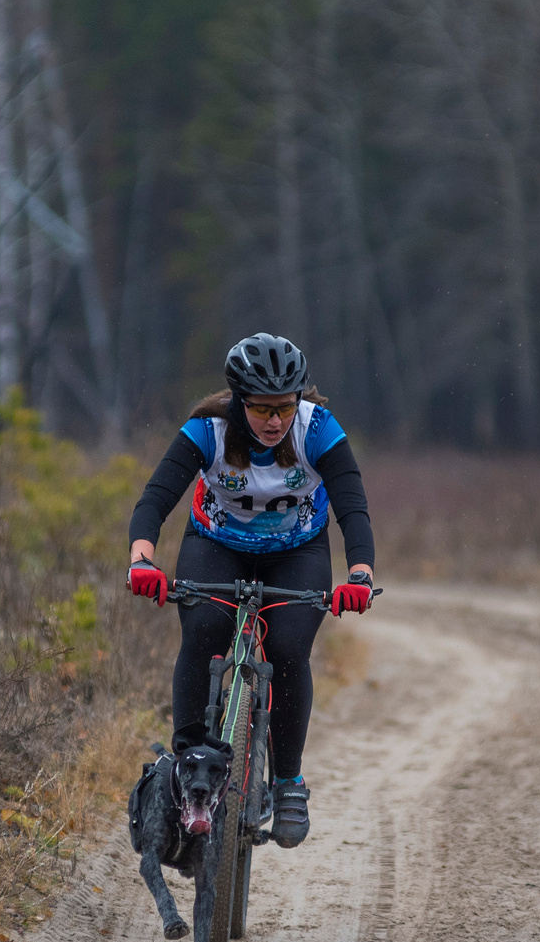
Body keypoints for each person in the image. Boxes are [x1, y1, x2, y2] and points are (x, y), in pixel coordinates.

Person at [125, 332, 375, 848]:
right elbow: (155, 498)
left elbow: (352, 506)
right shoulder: (208, 429)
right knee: (204, 629)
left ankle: (287, 782)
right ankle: (187, 766)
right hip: (216, 543)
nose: (275, 421)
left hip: (298, 552)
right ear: (240, 402)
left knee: (286, 648)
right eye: (262, 409)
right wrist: (142, 560)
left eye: (285, 407)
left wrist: (360, 575)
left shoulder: (318, 429)